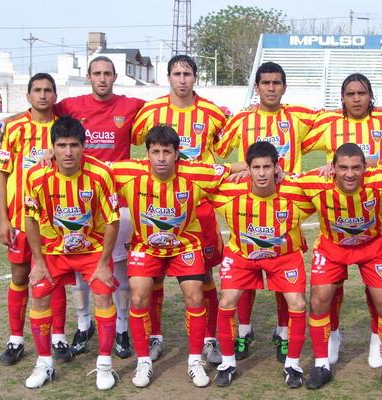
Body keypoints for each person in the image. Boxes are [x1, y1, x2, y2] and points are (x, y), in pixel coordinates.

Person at [0, 56, 145, 359]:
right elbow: (34, 112)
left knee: (112, 270)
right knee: (56, 272)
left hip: (110, 204)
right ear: (88, 77)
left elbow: (162, 110)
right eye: (97, 74)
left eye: (107, 74)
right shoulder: (70, 108)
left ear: (116, 76)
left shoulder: (132, 105)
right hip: (54, 210)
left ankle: (120, 329)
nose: (102, 79)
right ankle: (78, 324)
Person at [112, 126, 243, 388]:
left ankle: (195, 360)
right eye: (155, 152)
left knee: (195, 294)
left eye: (167, 152)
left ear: (177, 154)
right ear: (147, 153)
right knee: (138, 295)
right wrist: (50, 153)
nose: (161, 158)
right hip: (146, 247)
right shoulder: (127, 171)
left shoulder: (195, 173)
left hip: (185, 245)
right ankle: (143, 362)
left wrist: (259, 168)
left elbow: (232, 167)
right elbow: (89, 166)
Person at [214, 61, 321, 363]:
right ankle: (244, 331)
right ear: (257, 87)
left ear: (284, 87)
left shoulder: (298, 116)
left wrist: (381, 112)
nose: (271, 88)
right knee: (245, 270)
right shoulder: (242, 120)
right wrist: (240, 170)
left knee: (283, 273)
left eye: (276, 83)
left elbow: (337, 119)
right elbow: (215, 149)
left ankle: (283, 332)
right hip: (249, 205)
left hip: (286, 206)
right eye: (265, 83)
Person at [302, 72, 382, 368]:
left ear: (370, 96)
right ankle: (332, 334)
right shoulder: (329, 123)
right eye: (350, 94)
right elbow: (293, 141)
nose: (356, 98)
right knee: (329, 288)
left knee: (377, 289)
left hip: (374, 221)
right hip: (335, 220)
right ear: (342, 98)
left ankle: (379, 336)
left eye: (362, 93)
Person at [131, 54, 230, 364]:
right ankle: (156, 336)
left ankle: (211, 339)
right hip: (159, 204)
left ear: (195, 77)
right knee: (155, 276)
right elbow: (133, 141)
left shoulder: (214, 113)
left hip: (199, 206)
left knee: (204, 276)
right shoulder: (152, 110)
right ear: (168, 77)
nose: (182, 79)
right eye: (177, 73)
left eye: (187, 73)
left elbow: (226, 150)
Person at [287, 143, 382, 394]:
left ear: (365, 168)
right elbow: (282, 179)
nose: (350, 174)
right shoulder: (316, 181)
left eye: (356, 168)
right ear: (333, 168)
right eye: (343, 168)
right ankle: (321, 364)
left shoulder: (380, 179)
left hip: (373, 247)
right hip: (332, 248)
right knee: (319, 300)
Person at [23, 116, 120, 390]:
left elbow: (112, 220)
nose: (68, 152)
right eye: (62, 145)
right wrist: (38, 262)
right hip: (53, 250)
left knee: (103, 293)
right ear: (52, 147)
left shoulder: (100, 174)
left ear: (83, 146)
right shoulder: (36, 176)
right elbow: (30, 219)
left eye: (74, 145)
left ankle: (104, 365)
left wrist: (103, 263)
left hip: (93, 249)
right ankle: (44, 363)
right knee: (39, 297)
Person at [210, 141, 315, 389]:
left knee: (298, 303)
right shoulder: (229, 191)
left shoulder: (294, 190)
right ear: (248, 168)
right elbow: (200, 175)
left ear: (276, 167)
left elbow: (325, 184)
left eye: (267, 167)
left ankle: (293, 365)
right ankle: (227, 363)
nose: (261, 173)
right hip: (242, 256)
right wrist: (230, 169)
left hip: (284, 256)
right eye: (255, 167)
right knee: (226, 301)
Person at [0, 73, 71, 366]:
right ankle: (16, 339)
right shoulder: (13, 129)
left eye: (48, 91)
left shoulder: (62, 129)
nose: (42, 95)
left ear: (55, 96)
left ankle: (59, 337)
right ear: (28, 96)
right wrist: (3, 220)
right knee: (19, 277)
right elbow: (1, 176)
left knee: (56, 278)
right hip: (18, 219)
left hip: (55, 221)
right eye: (37, 91)